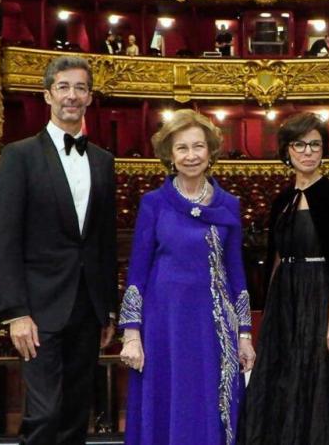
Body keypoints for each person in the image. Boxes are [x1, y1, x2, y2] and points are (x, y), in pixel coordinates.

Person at [0, 56, 118, 445]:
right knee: (44, 413)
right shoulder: (19, 155)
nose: (72, 95)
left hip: (87, 307)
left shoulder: (103, 161)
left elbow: (104, 241)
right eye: (63, 87)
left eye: (80, 88)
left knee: (76, 413)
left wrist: (107, 307)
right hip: (38, 308)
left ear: (90, 97)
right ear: (47, 94)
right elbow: (3, 240)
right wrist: (15, 312)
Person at [118, 109, 255, 445]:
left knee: (207, 403)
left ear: (210, 152)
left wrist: (245, 334)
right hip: (163, 324)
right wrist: (131, 335)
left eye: (198, 147)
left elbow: (236, 272)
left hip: (212, 326)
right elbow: (138, 270)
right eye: (182, 148)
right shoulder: (154, 203)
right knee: (166, 400)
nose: (191, 155)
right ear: (170, 154)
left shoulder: (228, 205)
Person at [243, 112, 329, 445]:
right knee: (283, 377)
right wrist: (268, 315)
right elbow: (276, 258)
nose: (308, 151)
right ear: (287, 150)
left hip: (321, 295)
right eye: (300, 144)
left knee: (317, 381)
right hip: (286, 298)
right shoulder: (282, 200)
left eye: (315, 144)